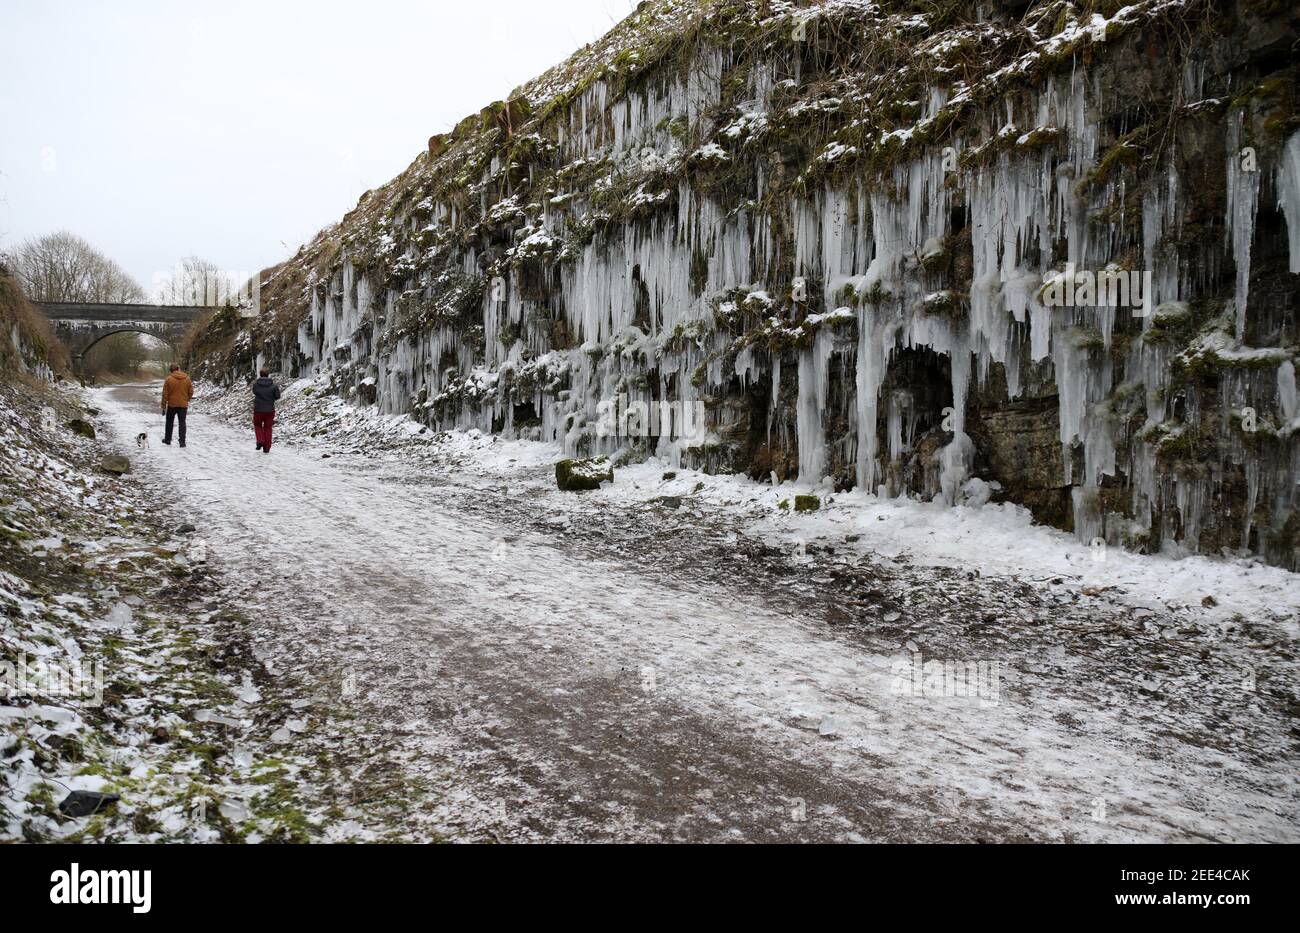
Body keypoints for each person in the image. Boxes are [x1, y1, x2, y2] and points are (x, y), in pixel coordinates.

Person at [161, 363, 194, 447]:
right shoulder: (187, 378)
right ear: (178, 369)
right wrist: (187, 399)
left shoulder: (169, 379)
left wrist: (164, 406)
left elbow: (165, 394)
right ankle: (182, 442)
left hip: (172, 404)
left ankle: (168, 440)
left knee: (169, 422)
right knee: (182, 423)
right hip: (183, 405)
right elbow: (191, 391)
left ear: (171, 370)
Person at [252, 368, 281, 453]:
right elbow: (277, 396)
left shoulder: (256, 385)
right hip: (270, 410)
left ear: (260, 374)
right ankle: (267, 448)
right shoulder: (274, 386)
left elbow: (255, 392)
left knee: (257, 425)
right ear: (268, 375)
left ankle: (260, 440)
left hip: (258, 409)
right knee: (268, 428)